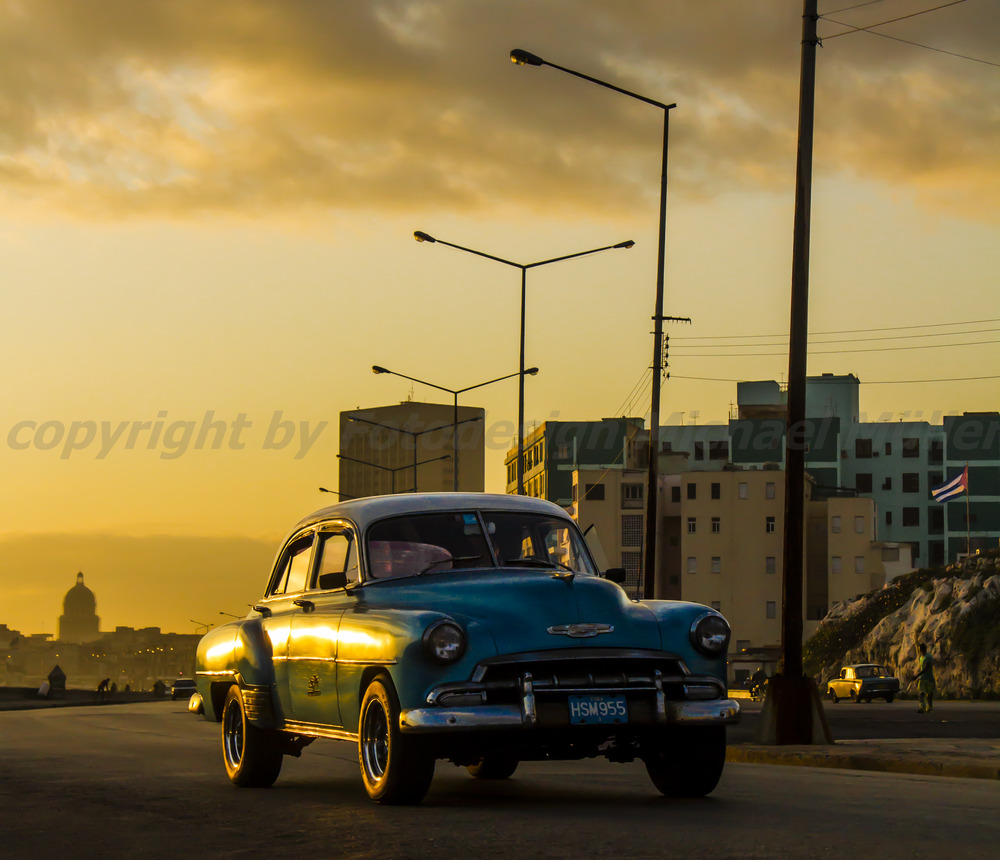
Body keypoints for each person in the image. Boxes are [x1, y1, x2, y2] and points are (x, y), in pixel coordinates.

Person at [915, 643, 935, 713]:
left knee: (929, 695)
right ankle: (922, 708)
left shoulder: (928, 657)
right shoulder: (921, 658)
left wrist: (917, 675)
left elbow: (926, 668)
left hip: (929, 678)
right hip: (922, 679)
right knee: (921, 693)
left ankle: (930, 707)